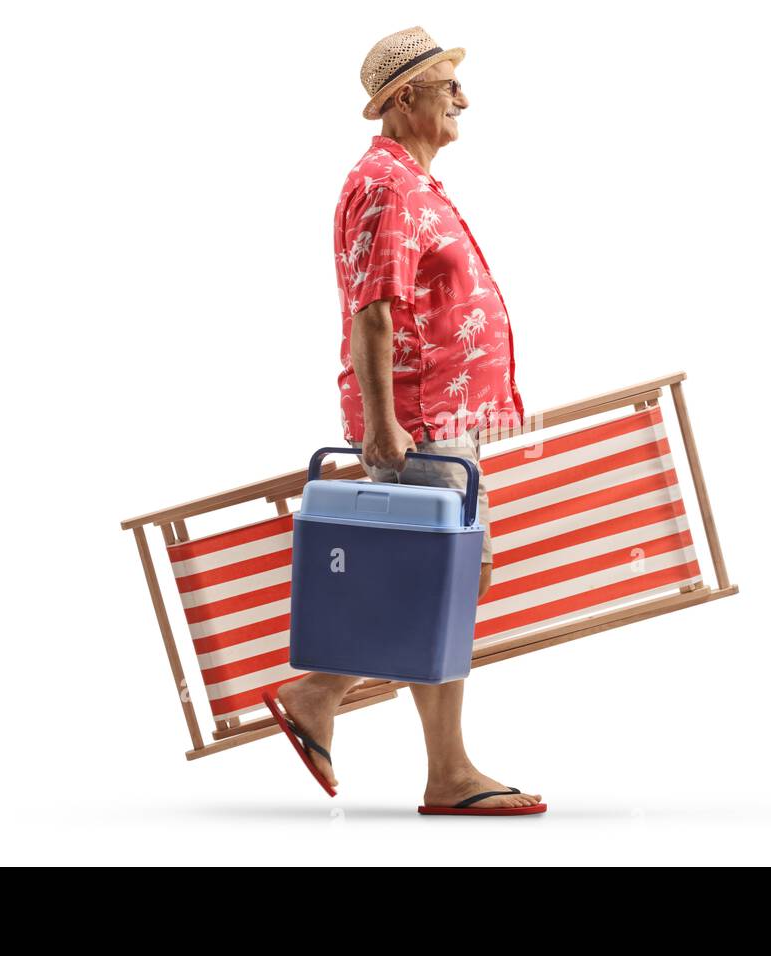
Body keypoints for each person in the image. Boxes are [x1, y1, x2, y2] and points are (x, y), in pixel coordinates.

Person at [273, 27, 542, 814]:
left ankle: (334, 704)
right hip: (421, 418)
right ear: (403, 99)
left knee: (444, 581)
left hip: (438, 415)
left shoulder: (410, 181)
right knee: (443, 583)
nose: (463, 98)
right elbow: (375, 314)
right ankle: (436, 765)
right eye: (448, 85)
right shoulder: (388, 184)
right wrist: (386, 423)